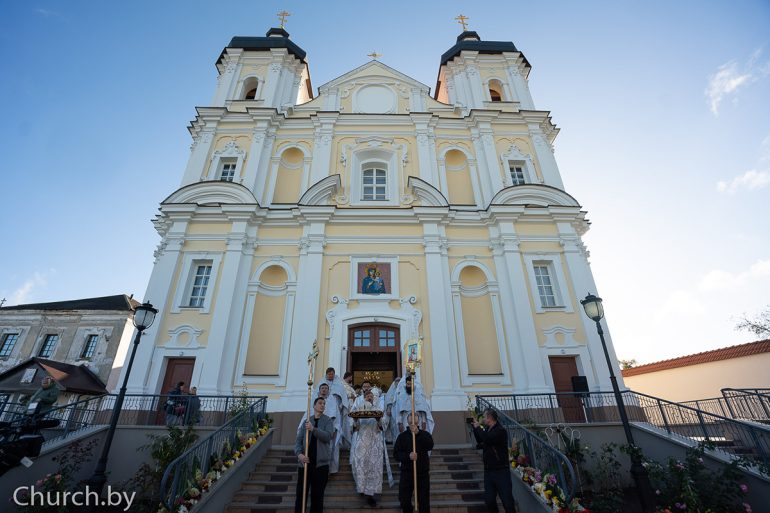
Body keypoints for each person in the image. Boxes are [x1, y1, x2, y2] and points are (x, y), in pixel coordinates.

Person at [350, 389, 392, 507]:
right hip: (362, 442)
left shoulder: (378, 408)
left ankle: (371, 495)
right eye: (367, 395)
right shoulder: (359, 408)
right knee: (360, 465)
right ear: (364, 397)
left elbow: (383, 424)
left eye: (371, 396)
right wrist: (355, 420)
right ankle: (362, 488)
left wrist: (378, 420)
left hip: (375, 442)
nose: (369, 397)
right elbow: (354, 424)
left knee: (374, 468)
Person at [472, 408, 517, 513]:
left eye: (484, 416)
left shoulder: (500, 431)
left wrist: (479, 428)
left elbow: (488, 439)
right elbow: (481, 440)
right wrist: (475, 428)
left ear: (489, 418)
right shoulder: (488, 430)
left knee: (507, 502)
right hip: (489, 471)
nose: (482, 418)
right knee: (489, 500)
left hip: (501, 471)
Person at [294, 397, 333, 513]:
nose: (322, 405)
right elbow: (298, 441)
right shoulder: (307, 421)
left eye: (324, 403)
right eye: (320, 403)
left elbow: (328, 436)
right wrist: (299, 455)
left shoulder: (328, 421)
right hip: (305, 464)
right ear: (314, 406)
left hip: (320, 465)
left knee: (317, 497)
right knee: (301, 495)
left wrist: (313, 429)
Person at [394, 413, 433, 513]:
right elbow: (396, 454)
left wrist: (418, 433)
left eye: (415, 418)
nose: (413, 422)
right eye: (411, 419)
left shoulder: (425, 434)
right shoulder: (402, 437)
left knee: (424, 501)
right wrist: (408, 456)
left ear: (418, 420)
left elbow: (430, 445)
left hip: (422, 473)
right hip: (407, 473)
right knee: (404, 500)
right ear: (407, 421)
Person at [384, 377, 401, 443]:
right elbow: (388, 399)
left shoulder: (403, 389)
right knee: (394, 427)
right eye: (397, 381)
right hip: (393, 411)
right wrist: (388, 409)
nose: (398, 382)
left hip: (401, 411)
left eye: (399, 381)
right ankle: (395, 442)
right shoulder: (392, 390)